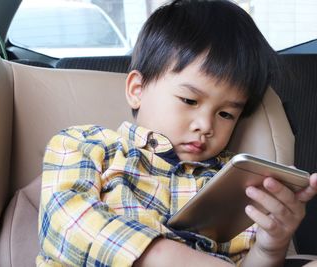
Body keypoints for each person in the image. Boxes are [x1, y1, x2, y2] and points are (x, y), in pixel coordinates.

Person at [37, 0, 317, 266]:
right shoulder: (85, 144)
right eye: (189, 101)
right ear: (137, 90)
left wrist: (271, 247)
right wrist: (167, 257)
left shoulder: (235, 185)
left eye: (226, 114)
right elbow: (65, 222)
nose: (206, 126)